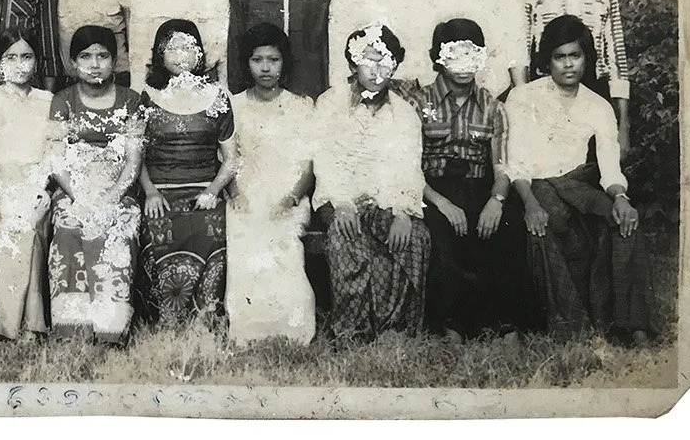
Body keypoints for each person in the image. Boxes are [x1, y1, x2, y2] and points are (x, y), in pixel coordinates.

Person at [502, 16, 656, 344]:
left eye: (575, 55)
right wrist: (530, 204)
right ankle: (571, 324)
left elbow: (609, 165)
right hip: (535, 184)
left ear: (586, 58)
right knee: (546, 221)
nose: (569, 64)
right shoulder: (524, 97)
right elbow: (516, 162)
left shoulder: (598, 105)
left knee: (623, 219)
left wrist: (620, 198)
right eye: (560, 57)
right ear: (547, 61)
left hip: (577, 184)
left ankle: (633, 323)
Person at [396, 19, 533, 342]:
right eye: (454, 55)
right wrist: (442, 203)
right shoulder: (418, 104)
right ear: (439, 57)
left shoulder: (493, 108)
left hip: (480, 187)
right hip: (432, 189)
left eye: (471, 55)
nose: (464, 65)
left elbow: (502, 167)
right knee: (441, 236)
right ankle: (451, 325)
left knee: (508, 227)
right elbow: (407, 166)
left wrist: (496, 201)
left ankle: (503, 323)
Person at [312, 24, 430, 340]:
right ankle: (353, 331)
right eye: (368, 62)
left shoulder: (404, 114)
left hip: (387, 199)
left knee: (413, 236)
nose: (376, 71)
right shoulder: (330, 104)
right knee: (345, 235)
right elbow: (324, 161)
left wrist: (403, 212)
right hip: (340, 198)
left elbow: (409, 168)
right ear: (353, 64)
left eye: (384, 62)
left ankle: (395, 329)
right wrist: (342, 204)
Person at [137, 19, 238, 328]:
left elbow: (230, 160)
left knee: (213, 230)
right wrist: (150, 192)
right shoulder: (147, 97)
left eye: (187, 48)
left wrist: (212, 191)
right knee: (157, 230)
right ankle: (165, 320)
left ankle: (204, 321)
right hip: (160, 192)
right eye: (172, 48)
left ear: (199, 54)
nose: (180, 56)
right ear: (159, 55)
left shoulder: (217, 97)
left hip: (205, 190)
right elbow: (136, 157)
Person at [48, 26, 145, 344]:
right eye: (85, 56)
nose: (94, 64)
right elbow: (56, 162)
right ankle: (72, 328)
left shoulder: (132, 101)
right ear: (73, 63)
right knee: (68, 226)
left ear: (114, 61)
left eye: (102, 56)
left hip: (118, 191)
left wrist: (111, 197)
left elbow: (133, 162)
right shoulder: (62, 100)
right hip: (73, 191)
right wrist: (81, 197)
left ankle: (110, 329)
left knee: (119, 226)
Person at [0, 29, 62, 339]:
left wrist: (38, 186)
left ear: (36, 62)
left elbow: (54, 154)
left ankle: (26, 322)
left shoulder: (49, 102)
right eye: (11, 58)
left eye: (27, 57)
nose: (20, 65)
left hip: (33, 184)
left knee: (27, 220)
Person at [225, 22, 317, 344]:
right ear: (247, 63)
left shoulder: (301, 106)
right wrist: (235, 193)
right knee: (245, 235)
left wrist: (291, 198)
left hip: (287, 192)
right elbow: (226, 159)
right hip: (246, 190)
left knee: (282, 241)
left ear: (283, 62)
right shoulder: (234, 105)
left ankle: (290, 329)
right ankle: (248, 331)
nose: (265, 68)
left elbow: (308, 167)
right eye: (257, 60)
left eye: (273, 60)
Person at [521, 0, 630, 149]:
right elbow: (523, 54)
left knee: (594, 164)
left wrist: (623, 125)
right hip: (546, 94)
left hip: (594, 92)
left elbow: (617, 60)